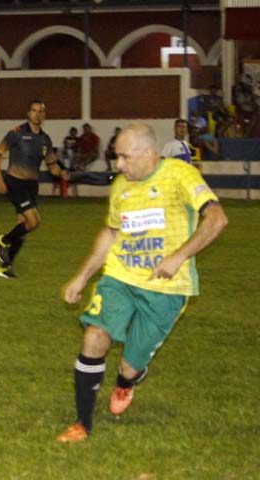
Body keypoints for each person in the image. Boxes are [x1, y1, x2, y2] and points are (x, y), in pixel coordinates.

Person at [56, 123, 227, 443]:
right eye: (116, 157)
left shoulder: (180, 175)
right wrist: (82, 276)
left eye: (124, 157)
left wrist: (178, 257)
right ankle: (82, 424)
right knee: (95, 337)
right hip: (120, 277)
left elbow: (216, 218)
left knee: (129, 367)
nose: (118, 165)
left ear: (149, 154)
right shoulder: (121, 185)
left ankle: (127, 381)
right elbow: (111, 232)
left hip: (167, 290)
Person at [0, 99, 66, 279]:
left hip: (32, 186)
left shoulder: (45, 139)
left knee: (23, 229)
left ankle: (5, 267)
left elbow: (52, 166)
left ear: (44, 115)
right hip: (15, 183)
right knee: (33, 222)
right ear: (28, 113)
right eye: (34, 110)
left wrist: (62, 172)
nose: (38, 114)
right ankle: (4, 240)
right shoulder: (16, 133)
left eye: (41, 111)